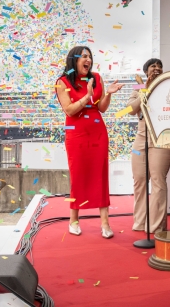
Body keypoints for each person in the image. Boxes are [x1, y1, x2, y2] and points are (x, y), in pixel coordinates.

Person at [55, 46, 124, 239]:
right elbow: (69, 110)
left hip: (97, 132)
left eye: (90, 57)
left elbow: (101, 108)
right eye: (84, 56)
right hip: (76, 134)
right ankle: (74, 220)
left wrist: (108, 93)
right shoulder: (62, 82)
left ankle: (105, 223)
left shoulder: (97, 78)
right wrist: (87, 96)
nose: (88, 60)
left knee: (100, 175)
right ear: (74, 60)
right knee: (78, 175)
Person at [127, 59, 170, 233]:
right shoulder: (139, 89)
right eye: (153, 66)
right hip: (140, 140)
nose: (157, 68)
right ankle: (140, 223)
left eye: (159, 66)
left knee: (157, 180)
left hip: (163, 139)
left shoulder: (168, 86)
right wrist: (144, 90)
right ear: (146, 71)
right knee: (139, 180)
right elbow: (130, 110)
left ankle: (155, 226)